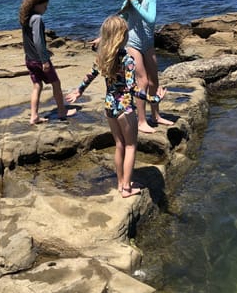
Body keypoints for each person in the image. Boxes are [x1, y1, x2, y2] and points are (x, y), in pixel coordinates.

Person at [66, 15, 166, 198]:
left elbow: (90, 75)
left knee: (119, 144)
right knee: (130, 146)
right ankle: (127, 188)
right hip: (125, 107)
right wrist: (153, 99)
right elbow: (132, 89)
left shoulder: (103, 57)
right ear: (122, 36)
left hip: (109, 105)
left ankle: (121, 183)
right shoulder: (127, 60)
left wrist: (78, 91)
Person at [119, 0, 174, 133]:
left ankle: (155, 116)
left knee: (153, 81)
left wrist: (135, 2)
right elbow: (117, 21)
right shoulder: (127, 3)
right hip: (132, 44)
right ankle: (142, 121)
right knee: (141, 81)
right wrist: (102, 37)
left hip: (148, 44)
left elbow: (151, 19)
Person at [19, 0, 75, 124]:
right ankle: (62, 111)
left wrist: (45, 51)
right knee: (56, 83)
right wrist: (44, 59)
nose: (46, 8)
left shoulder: (25, 18)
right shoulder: (37, 19)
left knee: (37, 85)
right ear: (36, 4)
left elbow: (29, 41)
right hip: (39, 60)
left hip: (29, 59)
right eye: (45, 6)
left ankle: (34, 116)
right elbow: (38, 40)